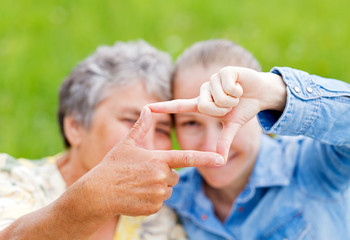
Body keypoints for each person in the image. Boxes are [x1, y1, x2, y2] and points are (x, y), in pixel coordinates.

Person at [0, 40, 224, 240]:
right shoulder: (11, 179)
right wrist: (96, 198)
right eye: (131, 120)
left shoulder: (163, 217)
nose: (149, 144)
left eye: (163, 129)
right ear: (75, 127)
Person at [149, 39, 350, 239]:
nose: (211, 146)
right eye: (191, 124)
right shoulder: (169, 199)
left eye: (228, 117)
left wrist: (277, 93)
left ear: (262, 112)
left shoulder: (311, 166)